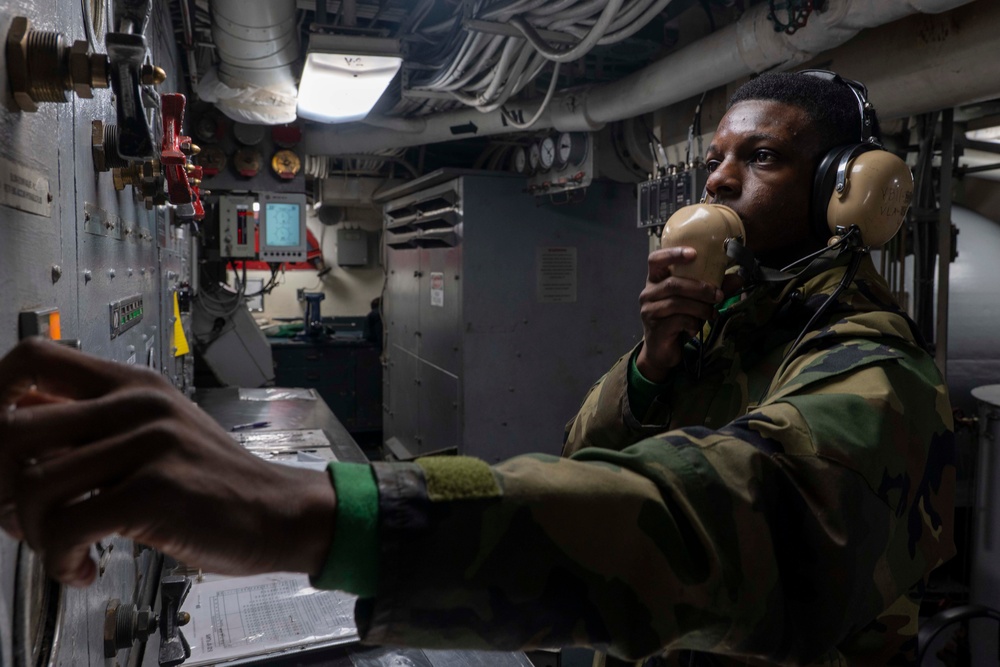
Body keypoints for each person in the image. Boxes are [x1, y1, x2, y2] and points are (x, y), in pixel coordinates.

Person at [0, 71, 954, 666]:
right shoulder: (722, 332)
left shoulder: (876, 369)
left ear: (845, 197)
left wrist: (318, 512)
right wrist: (655, 365)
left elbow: (730, 516)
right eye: (717, 158)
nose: (717, 181)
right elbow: (591, 453)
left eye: (765, 157)